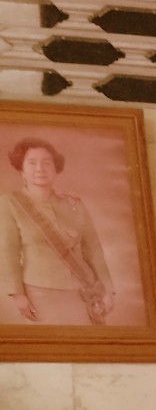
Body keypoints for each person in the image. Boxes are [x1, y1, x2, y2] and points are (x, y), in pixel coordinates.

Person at [0, 137, 115, 325]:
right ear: (21, 169)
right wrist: (17, 295)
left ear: (56, 168)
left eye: (47, 163)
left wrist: (108, 290)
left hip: (84, 292)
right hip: (39, 293)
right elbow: (7, 252)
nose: (40, 169)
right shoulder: (10, 203)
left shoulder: (74, 205)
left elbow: (93, 249)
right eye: (32, 163)